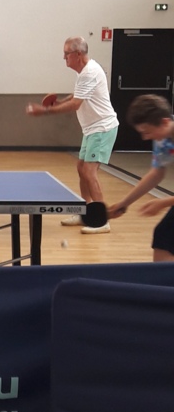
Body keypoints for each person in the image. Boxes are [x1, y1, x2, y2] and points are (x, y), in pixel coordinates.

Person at [26, 36, 118, 234]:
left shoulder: (89, 72)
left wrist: (44, 111)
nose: (64, 57)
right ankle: (86, 213)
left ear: (78, 54)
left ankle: (102, 221)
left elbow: (76, 104)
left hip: (102, 128)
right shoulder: (84, 72)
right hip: (91, 129)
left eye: (66, 53)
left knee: (89, 171)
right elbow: (77, 95)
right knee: (81, 168)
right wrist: (60, 102)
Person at [108, 94, 174, 260]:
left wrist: (163, 202)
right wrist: (124, 203)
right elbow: (156, 173)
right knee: (163, 235)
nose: (145, 138)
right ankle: (164, 277)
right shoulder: (163, 139)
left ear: (165, 122)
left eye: (147, 132)